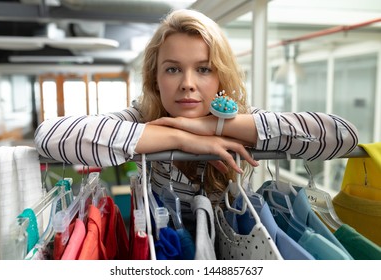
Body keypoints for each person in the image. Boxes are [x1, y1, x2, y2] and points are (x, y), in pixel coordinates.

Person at [34, 9, 358, 232]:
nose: (187, 83)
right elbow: (51, 136)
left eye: (203, 69)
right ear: (155, 78)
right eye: (173, 69)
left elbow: (342, 134)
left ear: (220, 77)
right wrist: (180, 138)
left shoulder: (243, 118)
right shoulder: (144, 116)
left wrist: (212, 126)